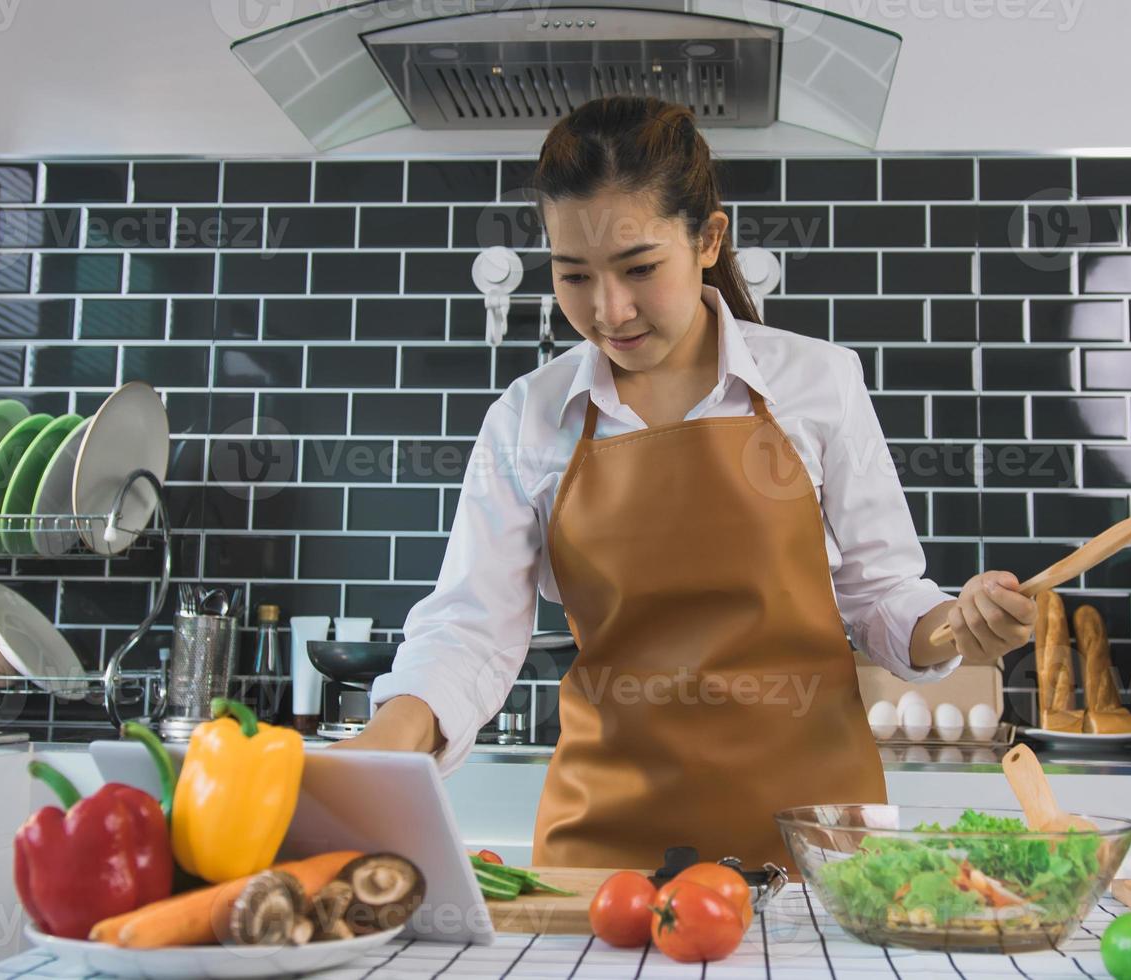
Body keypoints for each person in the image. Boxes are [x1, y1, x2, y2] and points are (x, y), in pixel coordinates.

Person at [336, 95, 1036, 869]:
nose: (609, 310)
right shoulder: (527, 418)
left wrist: (956, 627)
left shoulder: (818, 383)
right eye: (574, 276)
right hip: (604, 851)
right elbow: (471, 628)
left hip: (818, 846)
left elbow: (881, 595)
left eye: (639, 269)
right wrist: (390, 739)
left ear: (708, 239)